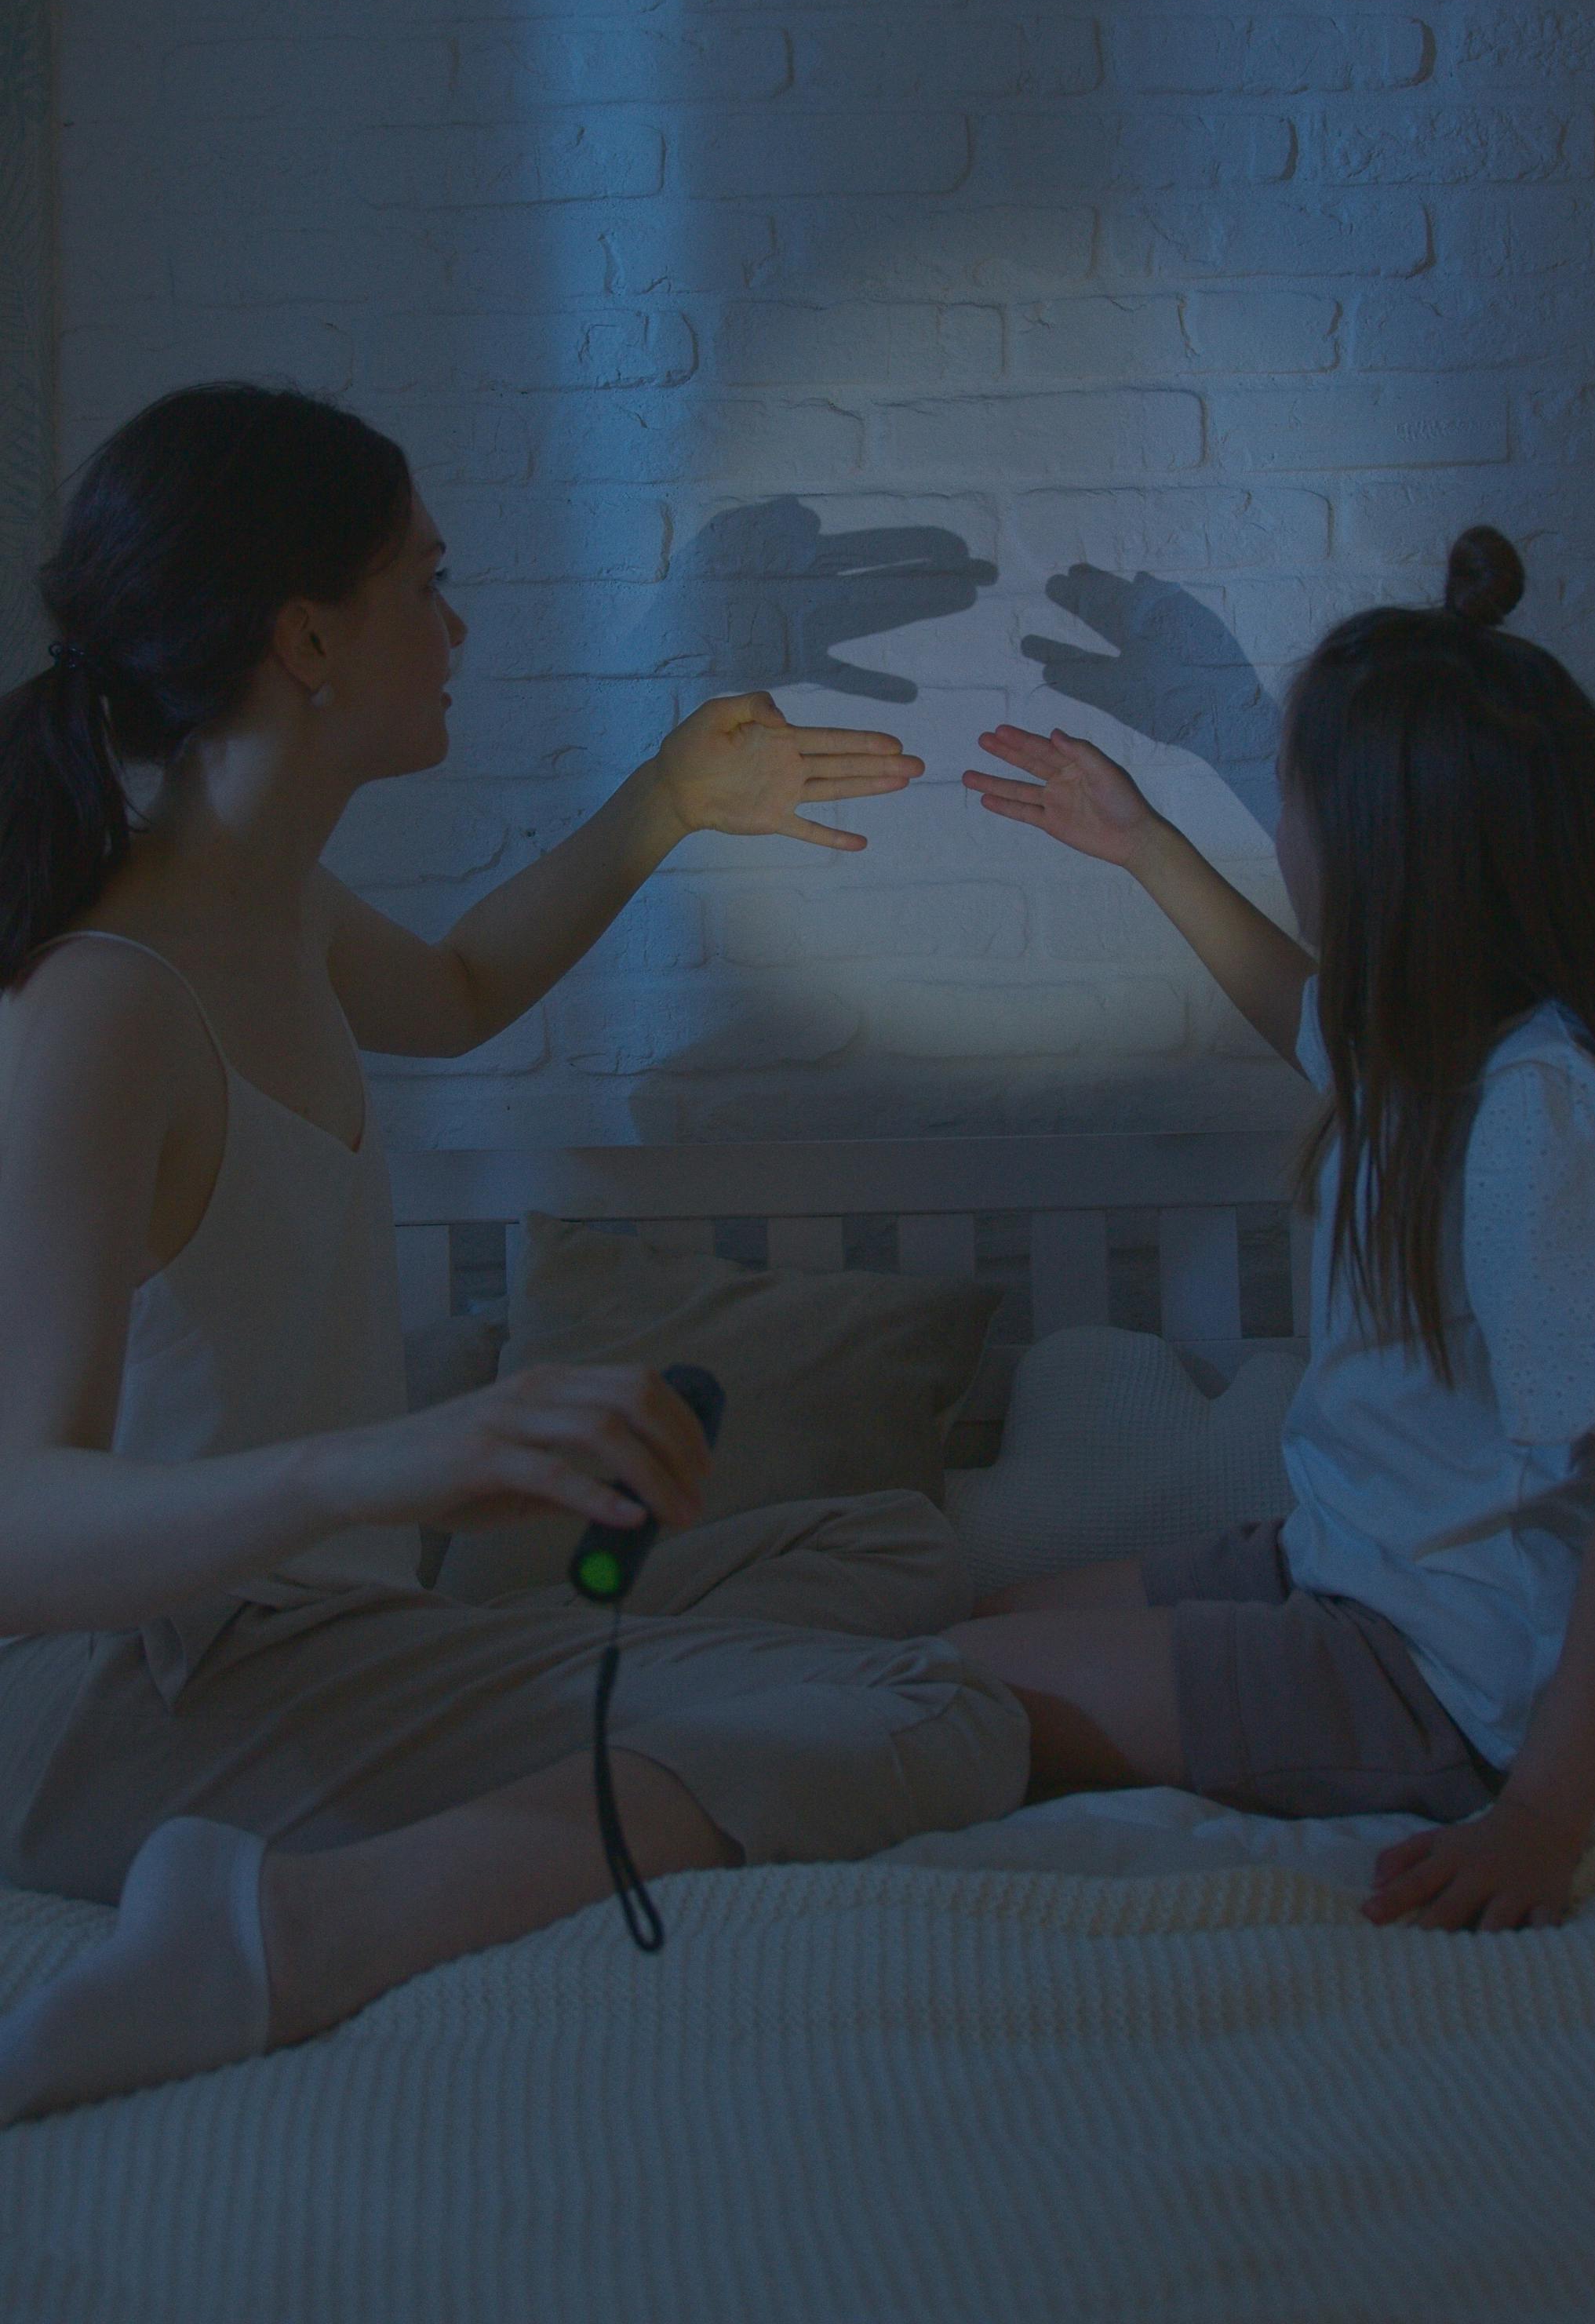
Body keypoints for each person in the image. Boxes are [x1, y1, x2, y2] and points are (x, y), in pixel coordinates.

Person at [0, 383, 1029, 2121]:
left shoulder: (280, 914)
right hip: (132, 1696)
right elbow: (20, 1533)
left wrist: (675, 797)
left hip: (324, 1625)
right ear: (310, 636)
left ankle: (394, 1802)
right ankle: (288, 1930)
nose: (461, 627)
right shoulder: (112, 1004)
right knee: (941, 1714)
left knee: (882, 1560)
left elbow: (465, 994)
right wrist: (369, 1464)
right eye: (430, 583)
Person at [949, 525, 1595, 1933]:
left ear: (1378, 848)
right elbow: (1292, 1004)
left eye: (1290, 800)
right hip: (1339, 1571)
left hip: (1448, 1684)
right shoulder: (1421, 1051)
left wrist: (1542, 1812)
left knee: (955, 1697)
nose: (1281, 833)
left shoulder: (1546, 1112)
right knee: (982, 1632)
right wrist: (1140, 843)